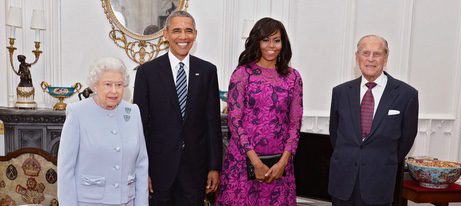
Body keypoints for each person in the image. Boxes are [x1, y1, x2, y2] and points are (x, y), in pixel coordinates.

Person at [133, 10, 222, 205]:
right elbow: (139, 126)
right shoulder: (147, 72)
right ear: (166, 34)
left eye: (188, 31)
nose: (183, 37)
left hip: (195, 171)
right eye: (177, 31)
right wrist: (142, 170)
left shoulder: (207, 71)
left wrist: (214, 167)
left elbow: (212, 123)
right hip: (158, 170)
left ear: (195, 34)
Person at [216, 17, 303, 206]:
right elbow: (235, 122)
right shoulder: (242, 74)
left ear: (283, 43)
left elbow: (295, 124)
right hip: (242, 162)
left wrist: (282, 163)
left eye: (277, 40)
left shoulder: (293, 77)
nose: (271, 45)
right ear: (257, 41)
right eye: (265, 40)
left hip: (279, 167)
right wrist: (256, 162)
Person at [328, 35, 419, 206]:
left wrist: (380, 159)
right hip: (342, 182)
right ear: (357, 57)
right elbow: (335, 135)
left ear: (385, 58)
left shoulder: (407, 95)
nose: (370, 59)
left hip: (379, 183)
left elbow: (406, 140)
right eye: (365, 53)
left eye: (377, 54)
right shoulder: (340, 92)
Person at [58, 57, 149, 206]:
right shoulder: (77, 113)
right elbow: (66, 170)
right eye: (108, 84)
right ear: (95, 86)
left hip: (127, 201)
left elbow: (141, 164)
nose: (114, 91)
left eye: (119, 85)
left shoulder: (132, 112)